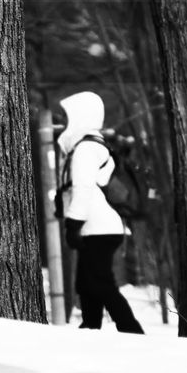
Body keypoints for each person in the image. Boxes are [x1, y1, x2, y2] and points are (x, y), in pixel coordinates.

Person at [58, 91, 144, 334]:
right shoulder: (88, 147)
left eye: (68, 117)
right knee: (86, 283)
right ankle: (90, 326)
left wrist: (73, 224)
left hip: (99, 228)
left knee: (101, 282)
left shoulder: (86, 149)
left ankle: (131, 330)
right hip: (95, 228)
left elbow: (83, 188)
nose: (65, 123)